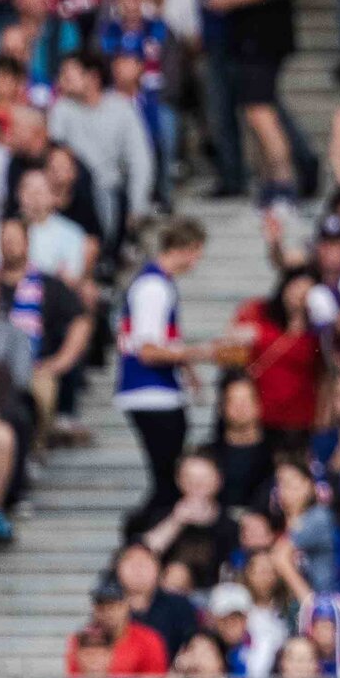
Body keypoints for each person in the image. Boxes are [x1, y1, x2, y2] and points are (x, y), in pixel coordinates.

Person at [115, 217, 206, 513]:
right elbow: (149, 350)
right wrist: (200, 353)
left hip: (157, 390)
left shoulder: (157, 283)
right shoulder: (154, 287)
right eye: (197, 252)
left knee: (167, 479)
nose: (197, 261)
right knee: (168, 481)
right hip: (151, 391)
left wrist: (187, 368)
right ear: (185, 248)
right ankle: (141, 535)